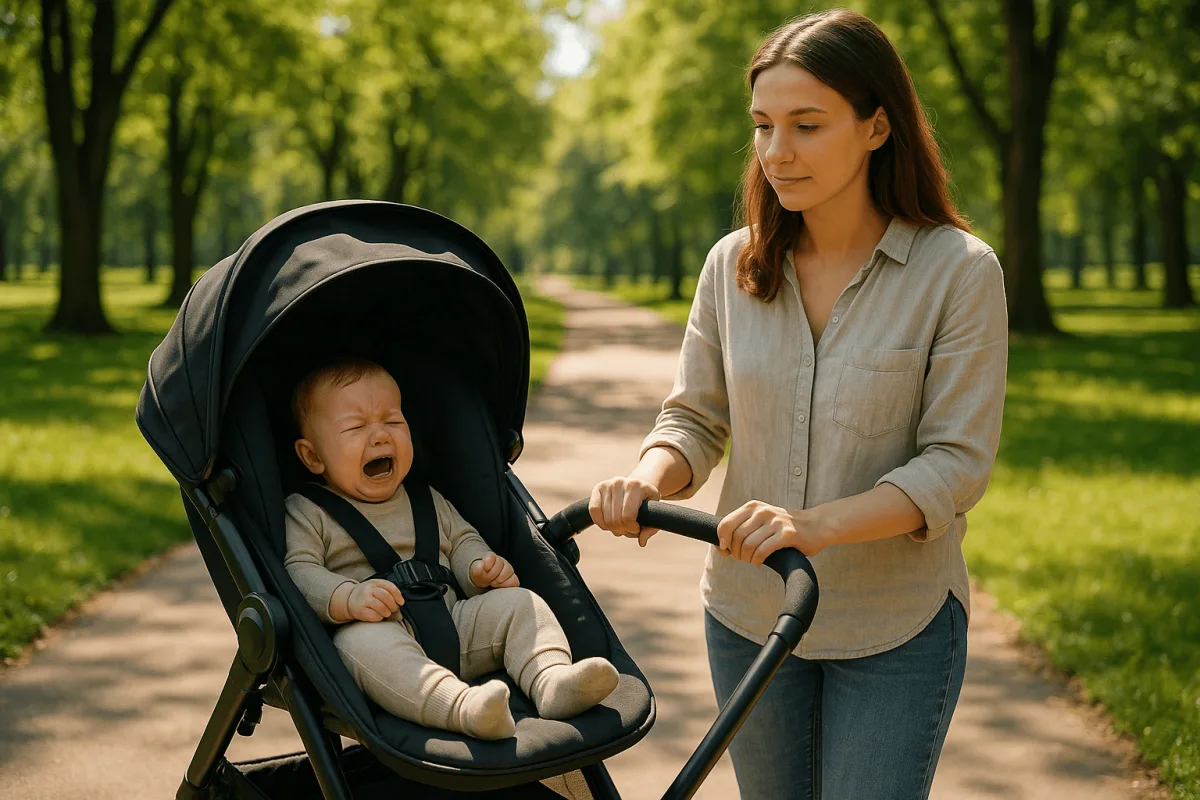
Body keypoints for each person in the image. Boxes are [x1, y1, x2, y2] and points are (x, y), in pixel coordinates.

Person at [588, 9, 1008, 798]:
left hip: (895, 627)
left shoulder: (959, 272)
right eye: (763, 126)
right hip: (747, 616)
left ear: (876, 126)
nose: (777, 153)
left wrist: (811, 527)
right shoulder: (733, 264)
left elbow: (954, 466)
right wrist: (649, 477)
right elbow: (695, 420)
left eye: (807, 126)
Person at [284, 358, 618, 740]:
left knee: (520, 603)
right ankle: (464, 709)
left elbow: (462, 541)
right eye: (356, 427)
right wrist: (346, 597)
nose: (379, 436)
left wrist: (477, 567)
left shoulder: (428, 499)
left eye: (393, 421)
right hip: (380, 632)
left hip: (457, 621)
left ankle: (551, 680)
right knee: (359, 643)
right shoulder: (307, 511)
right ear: (312, 456)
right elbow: (298, 571)